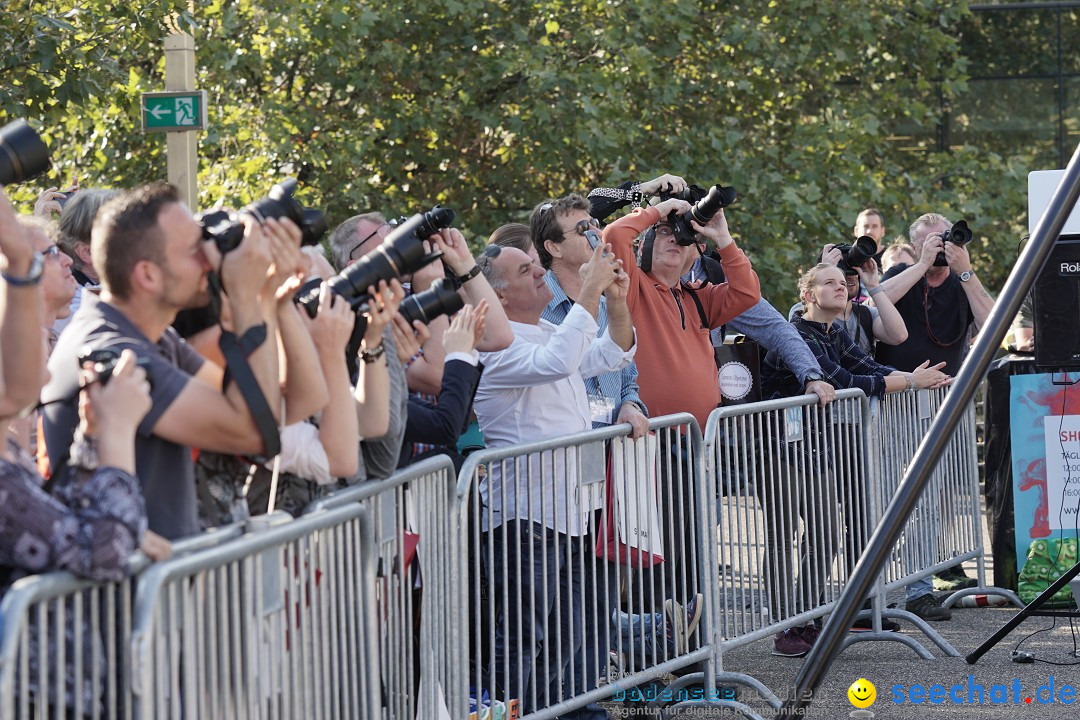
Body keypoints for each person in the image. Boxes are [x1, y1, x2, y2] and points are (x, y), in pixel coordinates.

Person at [41, 183, 325, 540]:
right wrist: (244, 299)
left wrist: (266, 297)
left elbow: (285, 408)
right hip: (129, 589)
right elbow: (254, 433)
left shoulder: (152, 337)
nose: (209, 258)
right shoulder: (114, 352)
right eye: (194, 249)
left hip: (158, 585)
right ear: (148, 274)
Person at [473, 240, 635, 718]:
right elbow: (560, 363)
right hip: (524, 517)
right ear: (499, 295)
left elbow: (612, 353)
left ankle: (541, 712)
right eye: (526, 269)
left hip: (567, 512)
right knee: (521, 636)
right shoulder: (494, 344)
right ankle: (503, 710)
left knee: (566, 635)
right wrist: (588, 288)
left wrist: (617, 301)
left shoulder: (543, 328)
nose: (540, 271)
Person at [762, 263, 951, 655]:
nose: (840, 287)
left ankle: (808, 615)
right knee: (781, 537)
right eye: (828, 283)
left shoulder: (835, 332)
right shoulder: (796, 332)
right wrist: (910, 382)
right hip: (778, 446)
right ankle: (785, 627)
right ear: (808, 295)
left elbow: (869, 367)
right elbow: (842, 381)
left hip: (816, 447)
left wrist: (913, 376)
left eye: (842, 283)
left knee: (828, 532)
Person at [876, 212, 996, 598]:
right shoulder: (901, 271)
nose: (942, 247)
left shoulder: (962, 279)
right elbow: (876, 306)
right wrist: (921, 265)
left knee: (927, 499)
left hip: (943, 403)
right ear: (913, 246)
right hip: (897, 398)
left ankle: (919, 590)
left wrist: (967, 271)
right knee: (885, 496)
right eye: (931, 241)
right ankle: (872, 589)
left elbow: (995, 325)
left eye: (946, 239)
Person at [789, 243, 908, 356]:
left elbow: (899, 336)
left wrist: (874, 287)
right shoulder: (800, 312)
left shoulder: (867, 314)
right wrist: (826, 270)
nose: (849, 277)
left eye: (854, 270)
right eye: (832, 279)